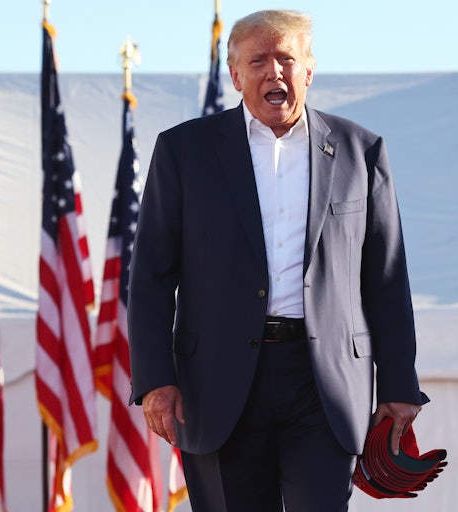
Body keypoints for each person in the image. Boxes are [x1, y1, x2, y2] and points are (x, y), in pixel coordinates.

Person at [127, 9, 428, 512]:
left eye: (287, 59)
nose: (275, 72)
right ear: (236, 75)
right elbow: (152, 277)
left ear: (309, 69)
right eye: (259, 60)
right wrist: (155, 379)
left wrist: (399, 383)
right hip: (217, 384)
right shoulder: (184, 151)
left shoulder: (362, 152)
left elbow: (386, 278)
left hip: (324, 386)